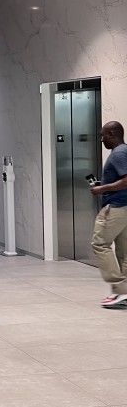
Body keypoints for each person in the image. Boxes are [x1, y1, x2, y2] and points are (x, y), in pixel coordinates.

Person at [90, 121, 127, 309]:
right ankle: (124, 293)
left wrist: (101, 189)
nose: (102, 139)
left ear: (113, 133)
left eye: (103, 135)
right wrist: (103, 182)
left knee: (99, 243)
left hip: (116, 207)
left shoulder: (119, 153)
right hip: (124, 207)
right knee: (124, 251)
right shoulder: (123, 151)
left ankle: (121, 290)